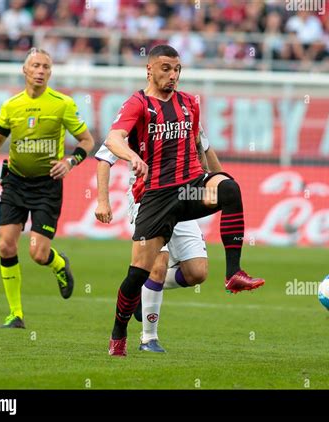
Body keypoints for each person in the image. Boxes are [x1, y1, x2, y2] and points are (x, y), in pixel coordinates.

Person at [100, 44, 265, 357]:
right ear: (149, 69)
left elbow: (201, 146)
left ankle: (233, 274)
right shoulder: (138, 104)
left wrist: (218, 178)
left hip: (190, 188)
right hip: (155, 196)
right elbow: (111, 140)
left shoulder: (189, 103)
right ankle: (119, 331)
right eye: (165, 68)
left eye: (177, 69)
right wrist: (133, 157)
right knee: (138, 273)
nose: (172, 75)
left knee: (230, 189)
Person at [0, 48, 95, 329]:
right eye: (36, 66)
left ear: (50, 72)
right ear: (25, 71)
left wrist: (70, 162)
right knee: (6, 244)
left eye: (46, 67)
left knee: (38, 254)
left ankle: (58, 263)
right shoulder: (11, 106)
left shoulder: (62, 104)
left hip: (47, 186)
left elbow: (88, 141)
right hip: (15, 181)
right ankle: (15, 314)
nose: (41, 71)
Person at [95, 123, 223, 353]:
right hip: (147, 201)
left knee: (197, 272)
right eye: (167, 82)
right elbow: (105, 157)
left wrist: (222, 184)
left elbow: (205, 148)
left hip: (183, 197)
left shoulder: (186, 111)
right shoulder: (137, 113)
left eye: (176, 82)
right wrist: (103, 201)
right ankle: (148, 339)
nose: (172, 84)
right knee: (158, 266)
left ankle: (141, 289)